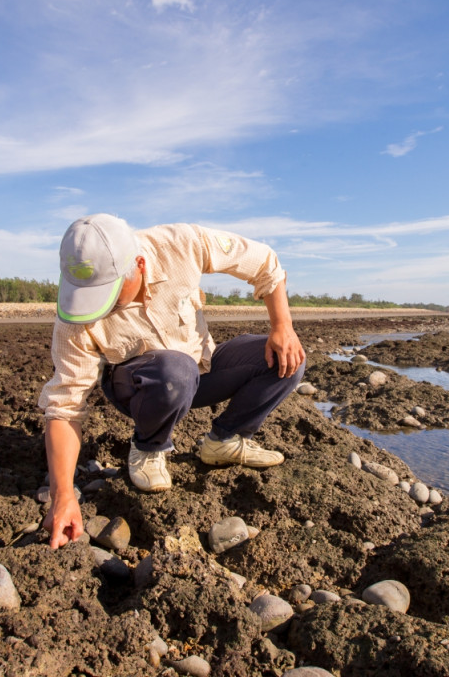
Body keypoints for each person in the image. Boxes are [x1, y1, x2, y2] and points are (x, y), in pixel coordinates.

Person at [38, 213, 306, 549]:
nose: (98, 306)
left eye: (109, 291)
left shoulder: (182, 244)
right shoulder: (76, 317)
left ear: (138, 264)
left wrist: (283, 326)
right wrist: (63, 498)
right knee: (174, 373)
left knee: (288, 360)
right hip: (138, 386)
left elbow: (265, 263)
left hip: (198, 371)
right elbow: (64, 406)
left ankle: (225, 440)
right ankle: (148, 447)